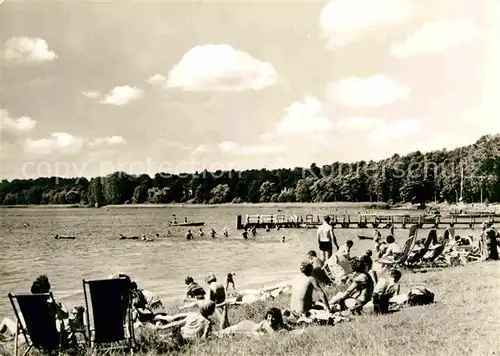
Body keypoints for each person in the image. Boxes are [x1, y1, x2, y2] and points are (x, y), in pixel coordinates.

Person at [217, 306, 289, 336]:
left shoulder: (278, 324)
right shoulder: (265, 323)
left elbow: (287, 328)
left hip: (248, 329)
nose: (270, 319)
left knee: (225, 331)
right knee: (221, 333)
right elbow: (273, 335)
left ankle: (222, 309)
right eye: (269, 316)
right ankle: (222, 309)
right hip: (245, 326)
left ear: (278, 318)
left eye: (273, 317)